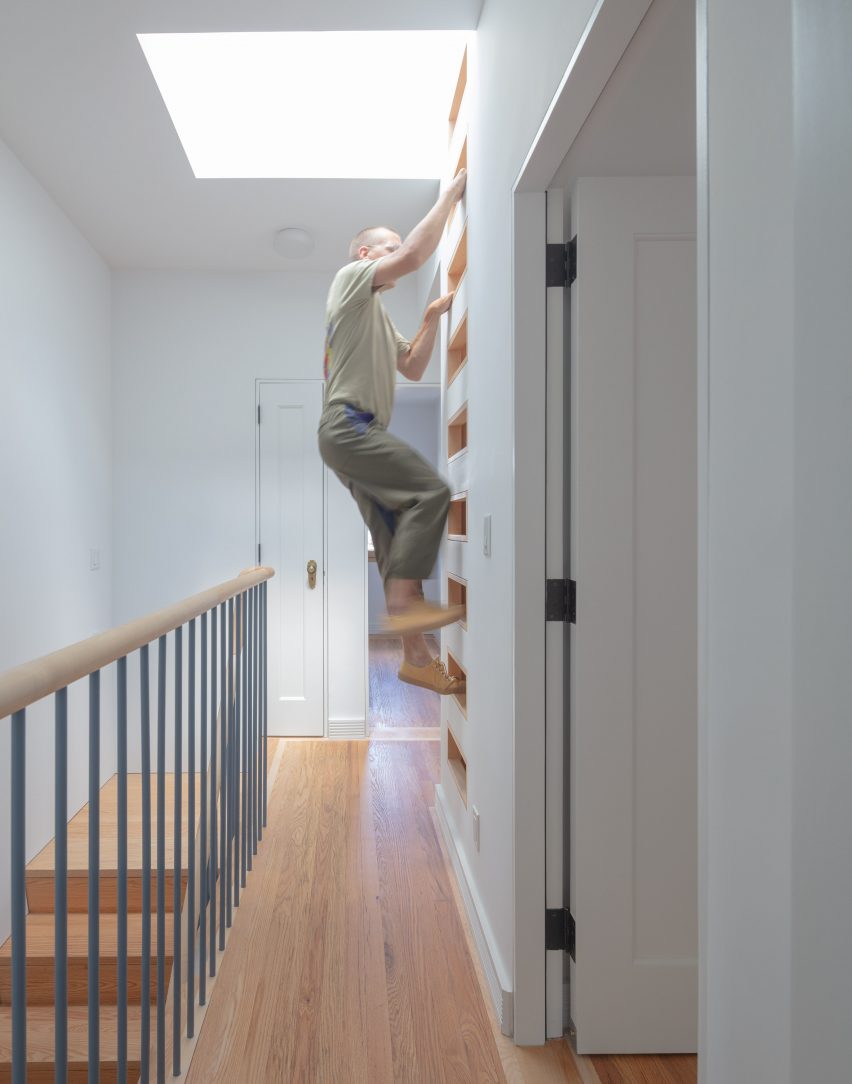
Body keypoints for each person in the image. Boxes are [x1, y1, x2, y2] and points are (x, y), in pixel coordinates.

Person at [318, 169, 468, 695]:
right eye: (389, 246)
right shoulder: (349, 279)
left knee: (390, 537)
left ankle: (414, 657)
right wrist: (449, 196)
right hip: (348, 426)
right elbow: (414, 258)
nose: (400, 251)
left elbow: (413, 367)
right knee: (431, 491)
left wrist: (429, 318)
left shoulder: (375, 314)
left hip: (351, 434)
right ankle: (408, 607)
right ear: (366, 256)